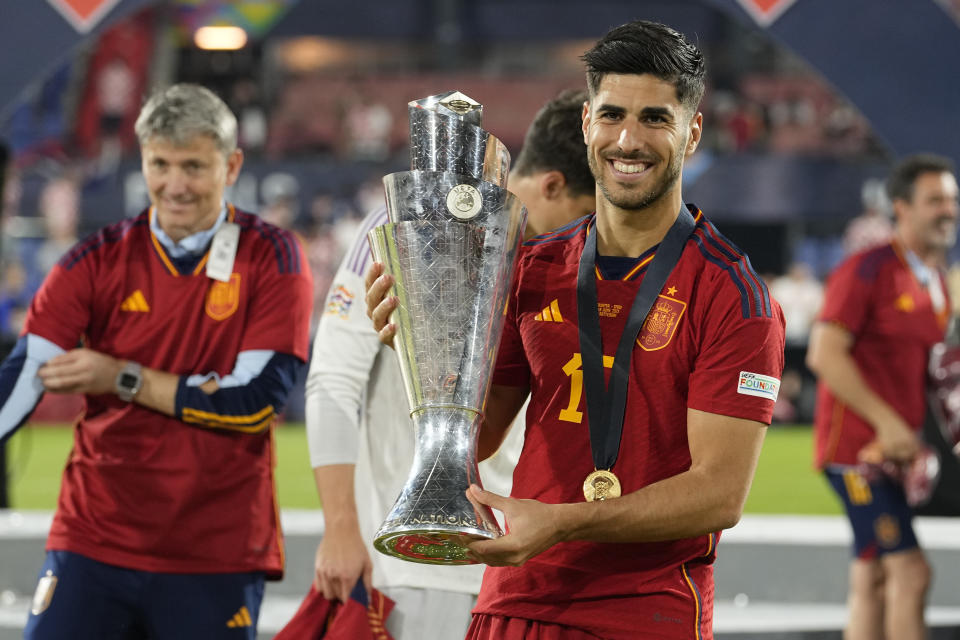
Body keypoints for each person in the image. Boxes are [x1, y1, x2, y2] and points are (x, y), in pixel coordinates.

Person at [367, 21, 785, 640]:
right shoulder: (530, 268)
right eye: (612, 114)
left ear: (692, 131)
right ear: (587, 123)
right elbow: (474, 441)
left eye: (655, 119)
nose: (627, 140)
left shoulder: (732, 293)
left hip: (644, 611)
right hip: (516, 601)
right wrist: (425, 342)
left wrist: (563, 522)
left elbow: (719, 494)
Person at [0, 83, 313, 639]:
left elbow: (253, 401)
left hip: (213, 549)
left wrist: (121, 377)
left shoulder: (272, 255)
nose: (175, 185)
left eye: (194, 165)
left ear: (232, 164)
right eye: (159, 164)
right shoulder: (93, 260)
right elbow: (23, 376)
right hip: (93, 536)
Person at [303, 89, 596, 639]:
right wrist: (341, 527)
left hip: (522, 559)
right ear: (553, 185)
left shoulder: (564, 261)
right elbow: (332, 383)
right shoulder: (401, 222)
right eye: (585, 214)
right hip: (416, 554)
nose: (586, 230)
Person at [807, 154, 959, 640]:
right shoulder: (867, 269)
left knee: (872, 577)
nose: (948, 210)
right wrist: (889, 423)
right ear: (902, 207)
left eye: (953, 200)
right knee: (912, 574)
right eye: (935, 200)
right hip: (857, 455)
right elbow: (824, 355)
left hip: (892, 456)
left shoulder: (936, 282)